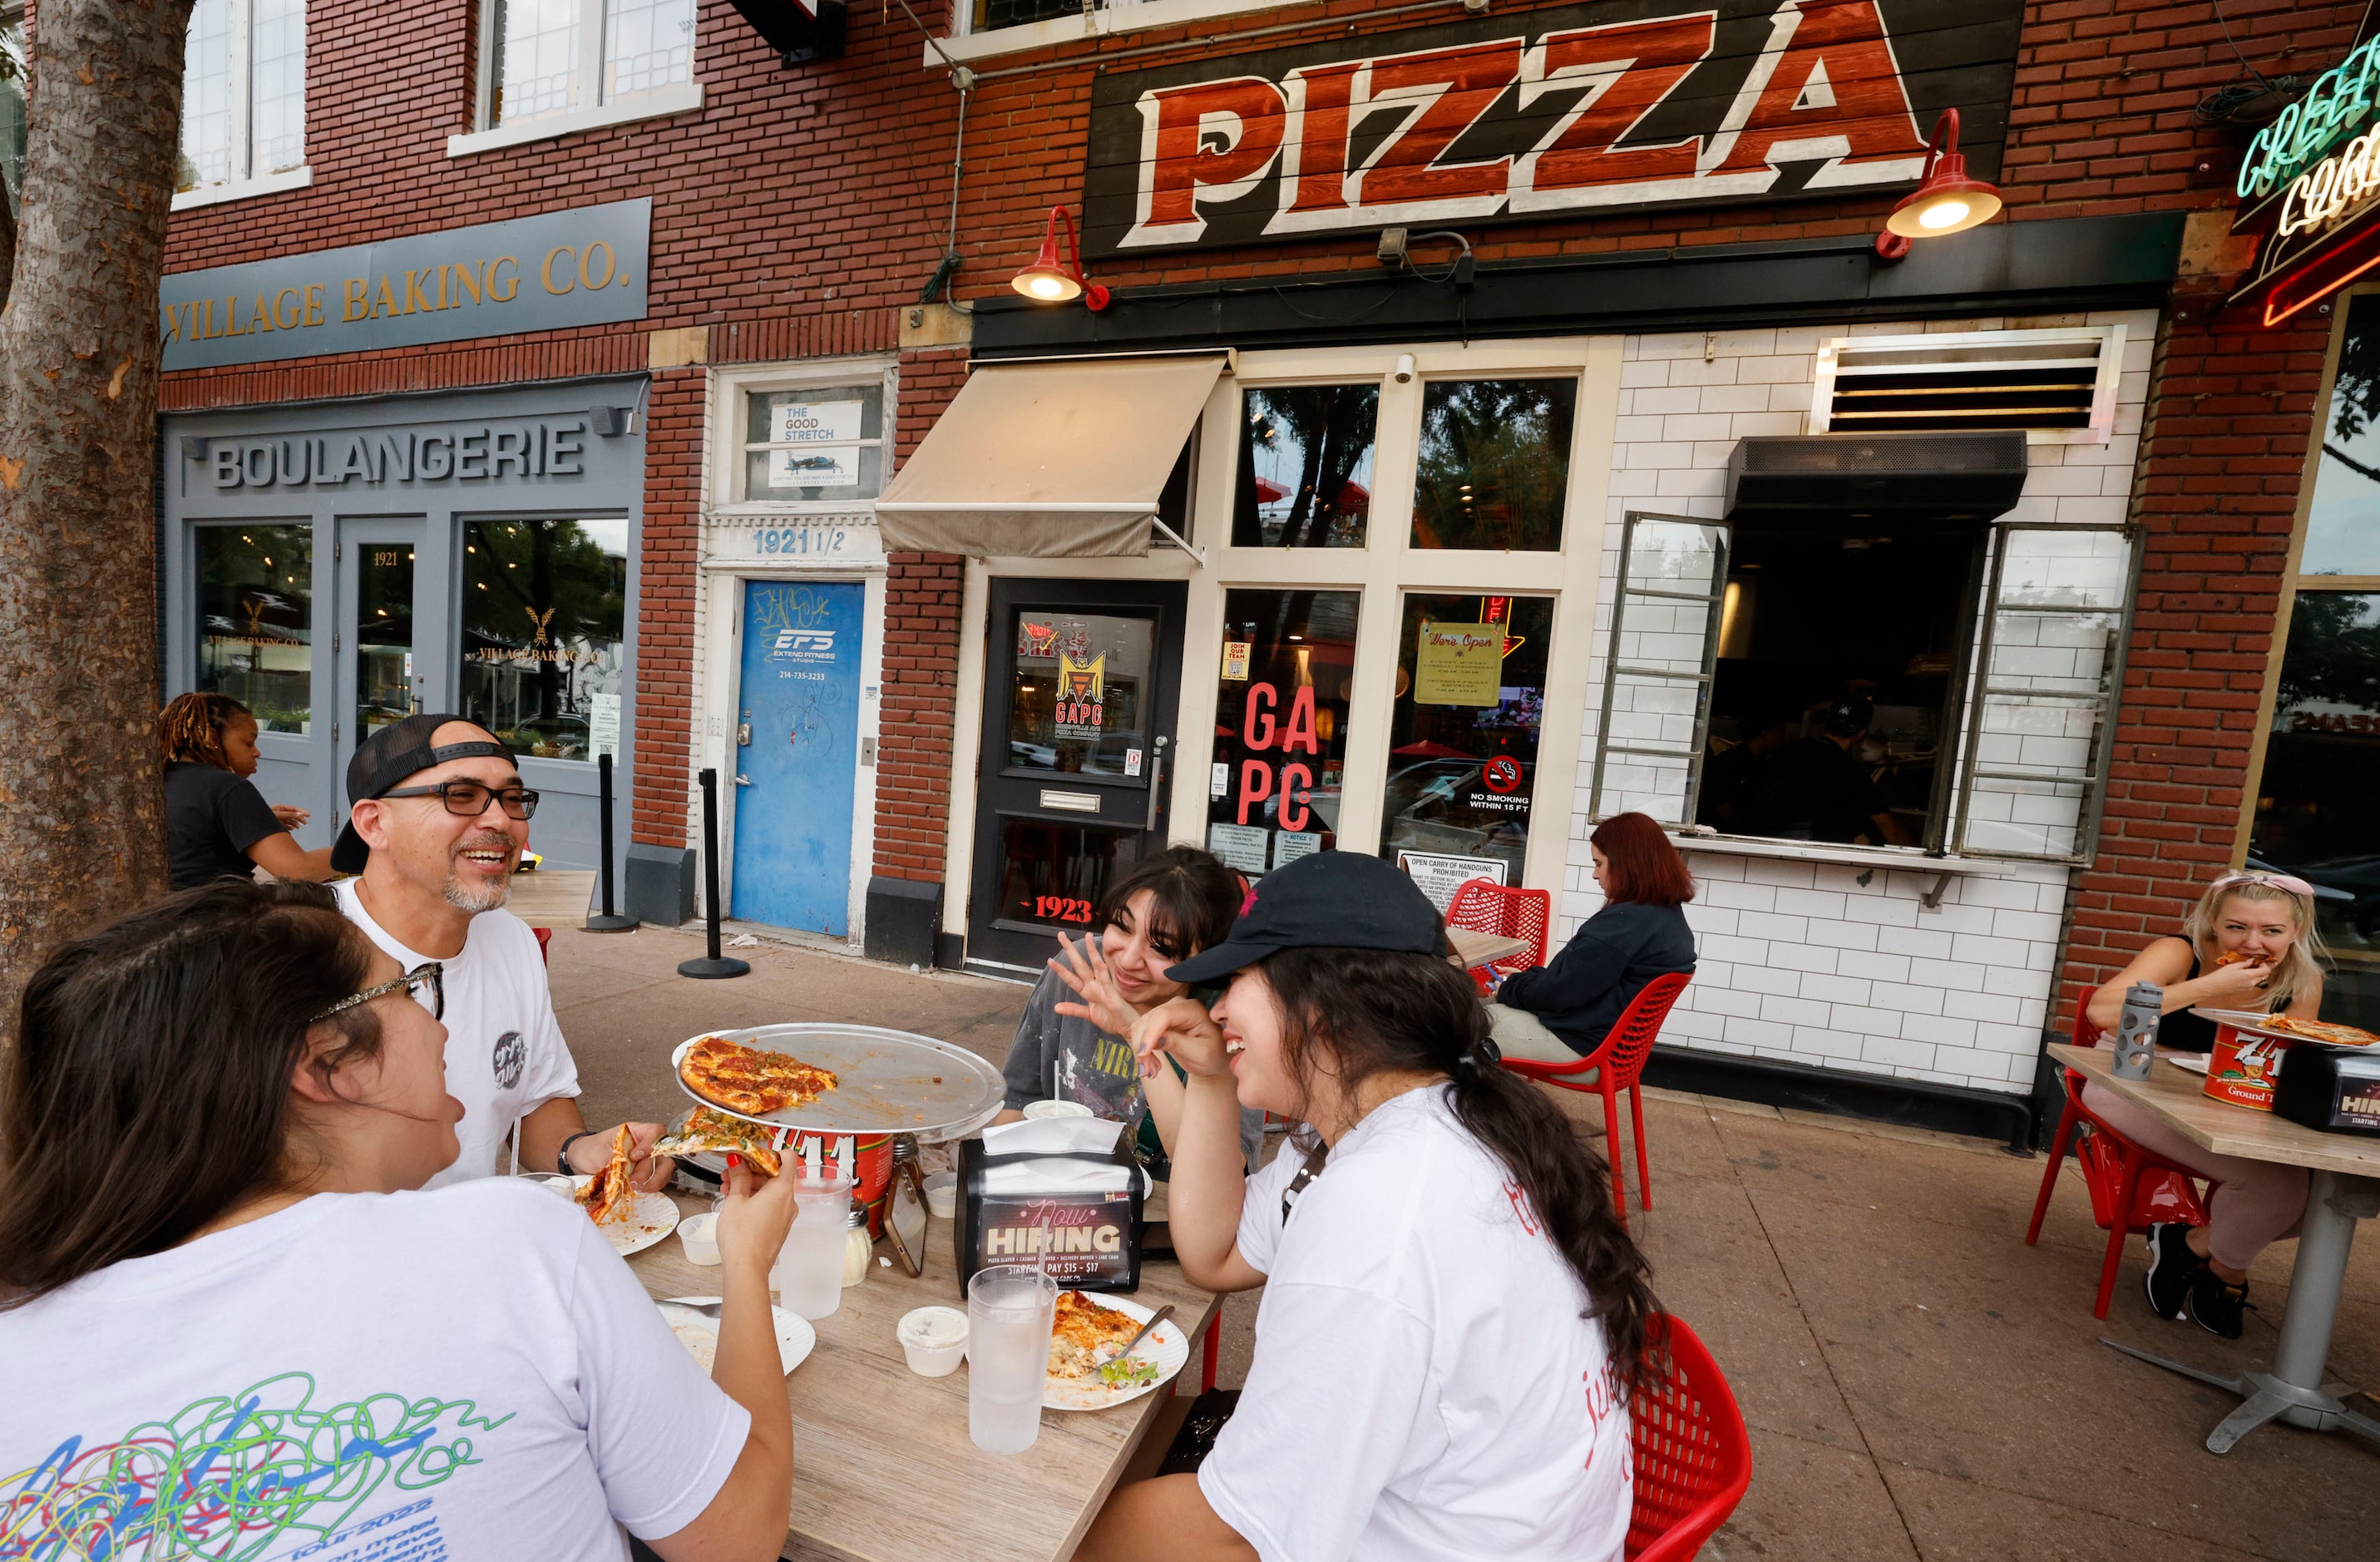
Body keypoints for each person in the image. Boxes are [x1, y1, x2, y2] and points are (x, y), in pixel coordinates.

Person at [0, 879, 797, 1561]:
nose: (443, 1025)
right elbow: (740, 1537)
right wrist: (746, 1264)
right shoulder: (510, 1248)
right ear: (325, 1066)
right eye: (410, 993)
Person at [1079, 851, 1660, 1562]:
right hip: (1478, 1509)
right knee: (1099, 1454)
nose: (1218, 1007)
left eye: (1238, 982)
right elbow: (1217, 1253)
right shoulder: (1411, 1110)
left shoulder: (1376, 1217)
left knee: (1057, 1502)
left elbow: (1233, 1535)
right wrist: (1210, 1078)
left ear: (1319, 1003)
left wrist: (1041, 1535)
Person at [332, 713, 668, 1191]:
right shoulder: (291, 956)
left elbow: (535, 1101)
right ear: (374, 823)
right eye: (461, 796)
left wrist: (579, 1152)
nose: (501, 821)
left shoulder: (512, 940)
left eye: (512, 799)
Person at [2083, 871, 2326, 1339]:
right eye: (2237, 927)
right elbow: (2101, 1012)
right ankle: (2228, 1276)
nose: (2253, 942)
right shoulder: (2180, 952)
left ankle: (2190, 1246)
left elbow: (2288, 1065)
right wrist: (2207, 988)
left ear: (2295, 932)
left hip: (2229, 1103)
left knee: (2323, 1194)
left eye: (2272, 931)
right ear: (2213, 922)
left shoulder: (2303, 980)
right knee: (2276, 1186)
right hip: (2128, 1083)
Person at [1000, 845, 1267, 1172]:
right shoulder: (1077, 971)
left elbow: (1221, 1176)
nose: (1127, 960)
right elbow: (1016, 1101)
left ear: (1206, 959)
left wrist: (1134, 1033)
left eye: (1162, 948)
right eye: (1122, 927)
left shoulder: (1226, 1018)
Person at [1485, 812, 1696, 1062]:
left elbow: (1559, 995)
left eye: (1599, 864)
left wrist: (1509, 988)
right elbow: (1580, 983)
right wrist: (1525, 979)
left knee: (1455, 1028)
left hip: (1582, 1046)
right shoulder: (1665, 917)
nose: (1595, 875)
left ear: (1627, 864)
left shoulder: (1623, 925)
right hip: (1611, 1047)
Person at [160, 691, 337, 888]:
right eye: (248, 743)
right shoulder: (229, 787)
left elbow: (198, 838)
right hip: (218, 911)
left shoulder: (165, 778)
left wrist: (255, 824)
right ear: (214, 740)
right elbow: (298, 871)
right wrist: (360, 848)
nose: (257, 752)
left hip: (173, 909)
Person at [1750, 693, 1911, 845]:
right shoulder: (1850, 771)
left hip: (1758, 842)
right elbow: (1892, 831)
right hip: (1804, 850)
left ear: (1826, 724)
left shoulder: (1787, 750)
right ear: (1861, 733)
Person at [1696, 713, 1791, 832]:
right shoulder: (1729, 762)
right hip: (1720, 835)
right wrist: (1743, 832)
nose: (1783, 738)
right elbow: (1723, 807)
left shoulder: (1763, 766)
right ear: (1764, 734)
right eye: (1780, 732)